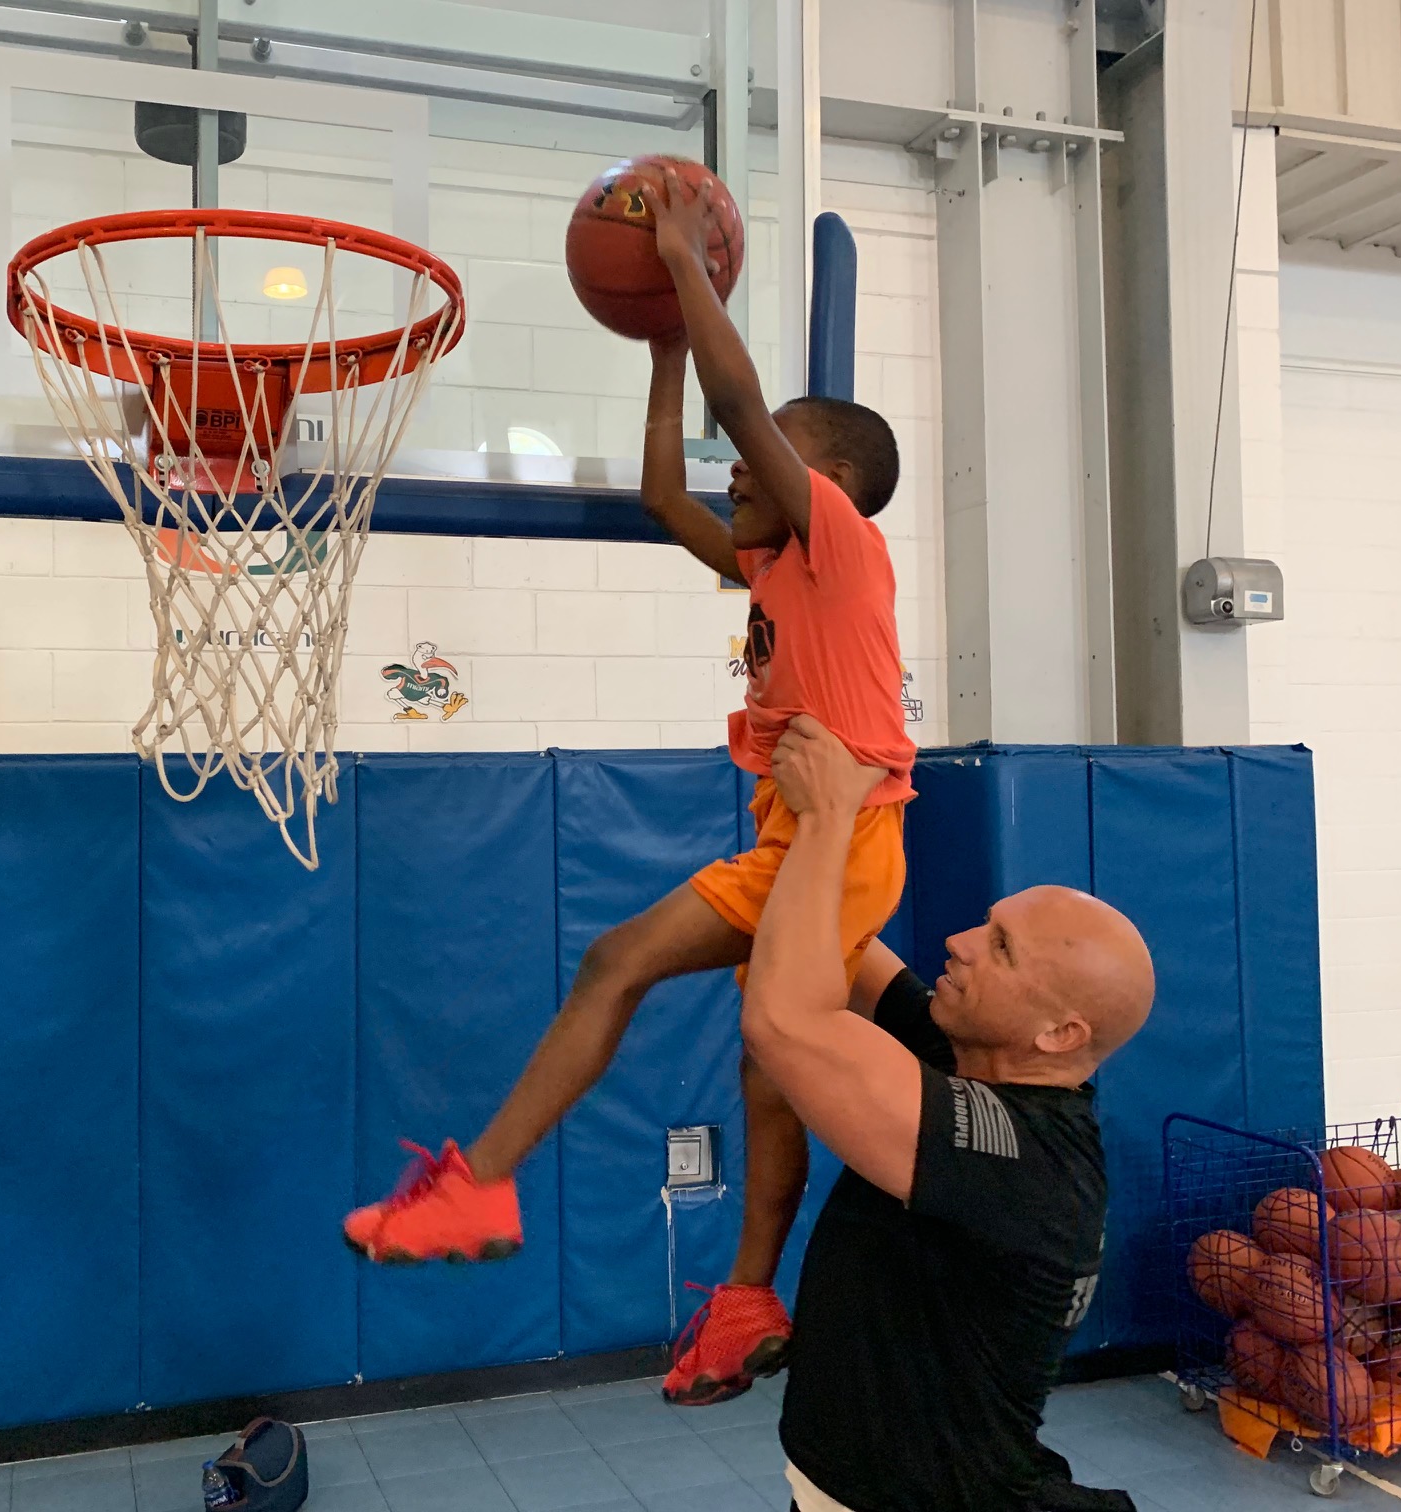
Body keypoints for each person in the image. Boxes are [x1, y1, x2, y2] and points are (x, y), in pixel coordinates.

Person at [342, 168, 918, 1406]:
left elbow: (743, 401)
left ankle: (479, 1184)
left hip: (845, 839)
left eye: (762, 466)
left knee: (617, 962)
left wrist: (689, 274)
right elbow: (664, 490)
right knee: (772, 1071)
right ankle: (754, 1296)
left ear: (827, 487)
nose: (735, 475)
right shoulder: (773, 569)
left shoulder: (842, 549)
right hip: (822, 840)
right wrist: (660, 340)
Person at [744, 714, 1155, 1512]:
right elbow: (842, 945)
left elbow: (784, 1020)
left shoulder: (1022, 1158)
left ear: (1060, 1033)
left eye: (1000, 947)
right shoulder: (965, 1052)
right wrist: (804, 813)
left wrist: (829, 817)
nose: (962, 941)